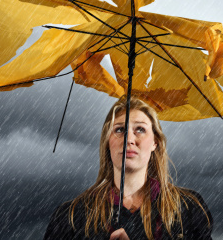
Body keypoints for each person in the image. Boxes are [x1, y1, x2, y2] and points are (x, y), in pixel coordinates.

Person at [44, 96, 212, 239]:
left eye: (140, 129)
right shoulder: (72, 216)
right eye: (119, 129)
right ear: (108, 142)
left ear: (155, 142)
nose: (129, 139)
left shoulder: (188, 209)